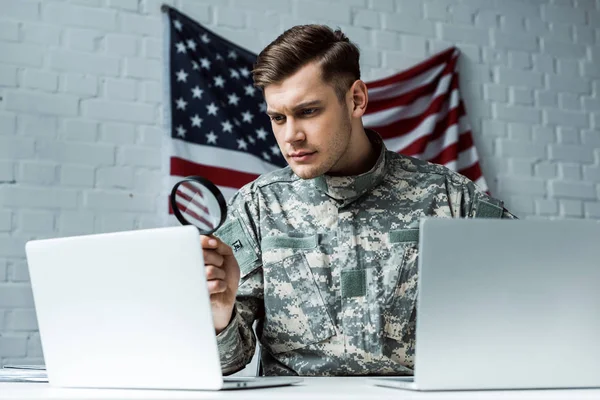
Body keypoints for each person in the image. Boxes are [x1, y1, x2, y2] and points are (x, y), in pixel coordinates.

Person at [200, 24, 515, 376]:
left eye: (308, 112)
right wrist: (219, 312)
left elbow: (531, 301)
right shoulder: (258, 208)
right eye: (278, 118)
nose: (291, 136)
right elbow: (225, 363)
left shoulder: (448, 198)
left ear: (356, 100)